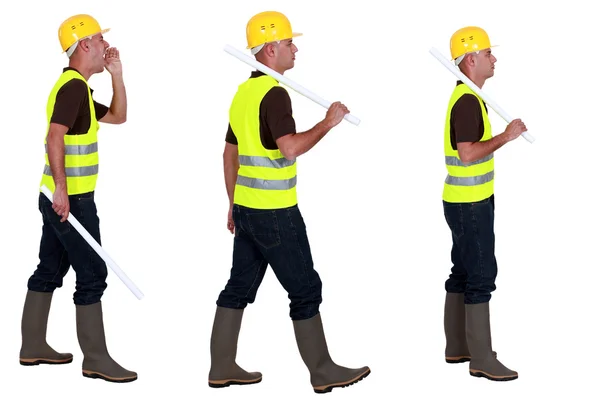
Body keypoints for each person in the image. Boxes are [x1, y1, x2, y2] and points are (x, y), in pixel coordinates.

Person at [208, 10, 370, 394]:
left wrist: (234, 203)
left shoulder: (244, 93)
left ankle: (221, 367)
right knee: (305, 288)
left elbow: (229, 155)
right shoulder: (275, 93)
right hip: (276, 213)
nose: (294, 48)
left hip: (248, 209)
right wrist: (327, 123)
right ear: (269, 50)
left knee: (238, 286)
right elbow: (290, 148)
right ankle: (322, 370)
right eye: (288, 42)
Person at [19, 14, 137, 383]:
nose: (106, 46)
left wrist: (117, 74)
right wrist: (63, 191)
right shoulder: (72, 88)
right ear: (85, 44)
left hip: (59, 196)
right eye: (101, 40)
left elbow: (118, 117)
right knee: (92, 273)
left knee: (50, 269)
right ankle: (96, 359)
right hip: (70, 200)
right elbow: (55, 137)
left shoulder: (80, 89)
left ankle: (32, 346)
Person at [441, 26, 527, 382]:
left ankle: (458, 346)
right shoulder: (466, 101)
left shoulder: (470, 96)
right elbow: (467, 154)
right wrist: (506, 137)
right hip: (470, 204)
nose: (494, 58)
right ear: (471, 59)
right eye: (488, 53)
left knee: (462, 272)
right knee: (480, 275)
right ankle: (481, 358)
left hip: (465, 201)